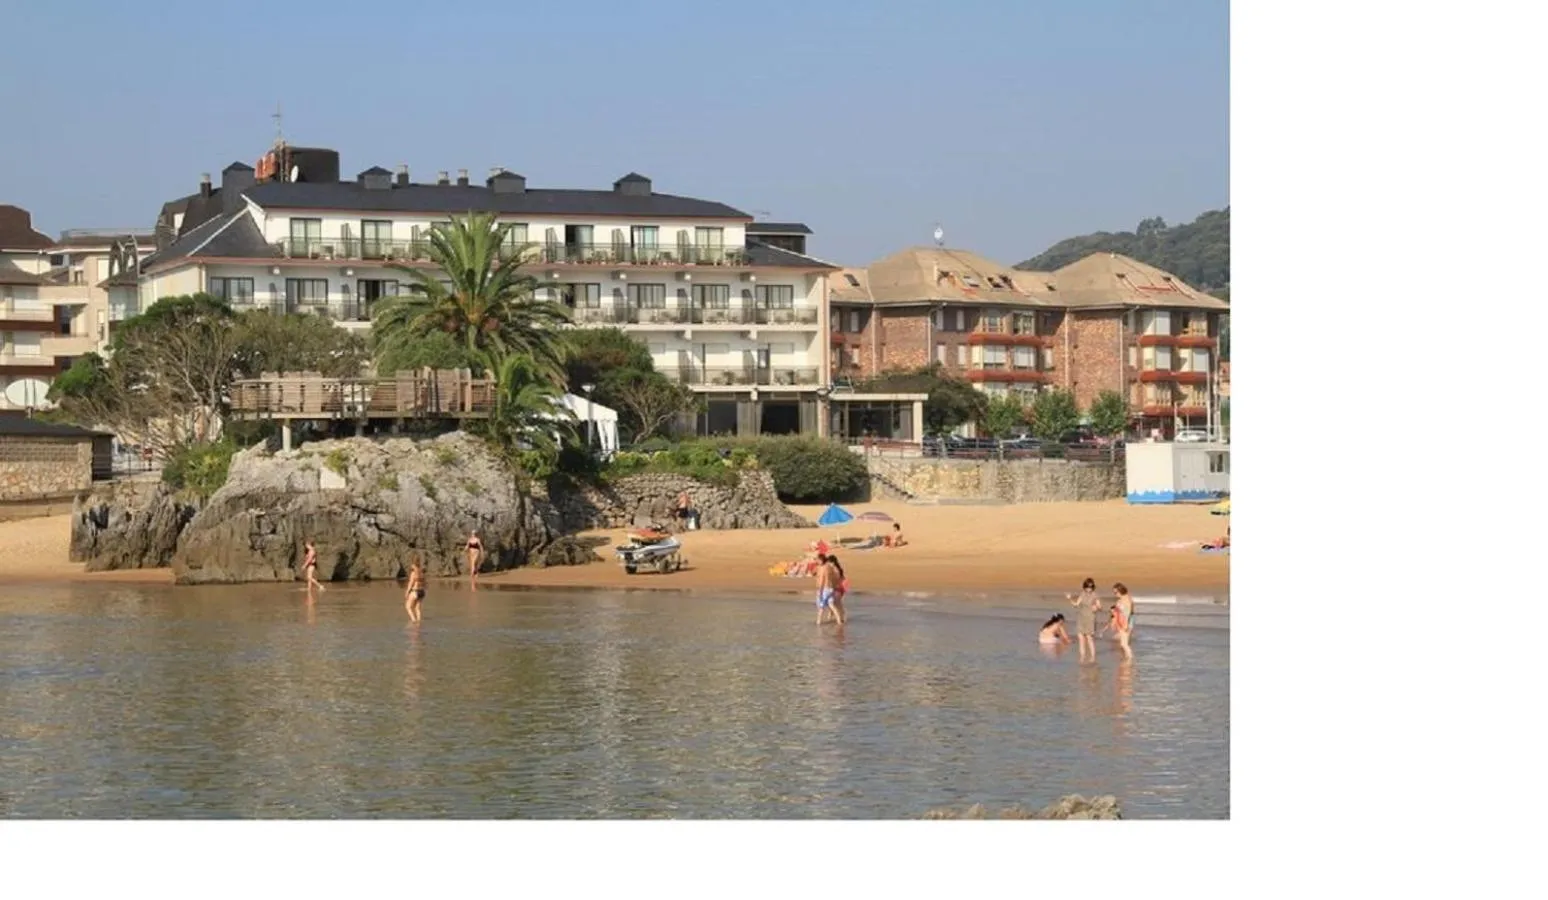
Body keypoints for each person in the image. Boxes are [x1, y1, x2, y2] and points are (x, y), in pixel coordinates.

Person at [1068, 577, 1101, 662]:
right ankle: (1082, 657)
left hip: (1090, 618)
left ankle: (1092, 657)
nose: (1089, 589)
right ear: (1084, 587)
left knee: (1089, 638)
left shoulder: (1095, 595)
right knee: (1080, 638)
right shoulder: (1082, 594)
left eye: (1091, 587)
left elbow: (1100, 607)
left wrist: (1096, 607)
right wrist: (1070, 598)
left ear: (1093, 587)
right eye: (1087, 587)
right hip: (1081, 618)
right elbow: (1076, 605)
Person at [827, 553, 849, 624]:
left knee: (835, 603)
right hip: (841, 587)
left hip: (838, 588)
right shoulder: (837, 568)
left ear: (832, 562)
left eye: (829, 562)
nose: (828, 564)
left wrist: (832, 586)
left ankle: (840, 619)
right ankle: (842, 618)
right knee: (838, 603)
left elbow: (837, 579)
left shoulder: (835, 569)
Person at [404, 556, 425, 622]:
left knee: (408, 607)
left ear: (413, 564)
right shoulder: (421, 572)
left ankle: (414, 621)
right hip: (422, 591)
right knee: (417, 608)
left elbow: (411, 583)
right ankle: (419, 622)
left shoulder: (413, 573)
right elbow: (425, 583)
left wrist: (407, 592)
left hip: (415, 591)